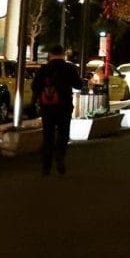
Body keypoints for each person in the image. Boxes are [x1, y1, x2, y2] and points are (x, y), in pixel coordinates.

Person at [30, 44, 83, 176]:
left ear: (50, 54)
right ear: (63, 54)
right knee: (63, 133)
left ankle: (46, 165)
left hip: (47, 106)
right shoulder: (69, 68)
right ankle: (60, 156)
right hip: (64, 106)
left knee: (48, 134)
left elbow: (34, 86)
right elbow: (79, 84)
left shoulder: (44, 68)